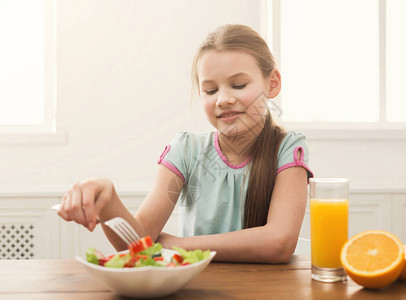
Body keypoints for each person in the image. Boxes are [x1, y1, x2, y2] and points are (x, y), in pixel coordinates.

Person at [57, 24, 313, 263]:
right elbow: (137, 246)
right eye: (210, 91)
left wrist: (180, 245)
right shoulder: (186, 150)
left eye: (238, 85)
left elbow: (279, 242)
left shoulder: (288, 148)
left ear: (272, 83)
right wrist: (108, 198)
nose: (223, 99)